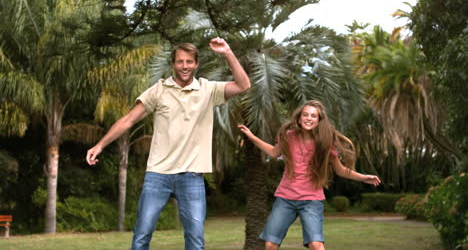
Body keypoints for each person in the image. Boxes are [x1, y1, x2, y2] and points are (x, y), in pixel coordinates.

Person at [86, 37, 250, 250]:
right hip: (158, 174)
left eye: (189, 61)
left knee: (196, 240)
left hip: (191, 175)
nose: (184, 66)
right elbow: (128, 120)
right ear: (173, 64)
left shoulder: (207, 90)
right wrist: (100, 145)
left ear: (196, 64)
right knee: (141, 236)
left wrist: (227, 51)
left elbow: (244, 85)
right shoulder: (159, 90)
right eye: (180, 61)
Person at [238, 100, 381, 250]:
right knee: (270, 245)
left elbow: (340, 170)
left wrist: (364, 177)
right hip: (285, 198)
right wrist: (252, 137)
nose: (309, 118)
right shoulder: (289, 136)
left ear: (319, 121)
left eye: (313, 116)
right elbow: (274, 152)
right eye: (305, 115)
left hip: (311, 200)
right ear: (299, 118)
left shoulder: (325, 142)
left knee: (316, 245)